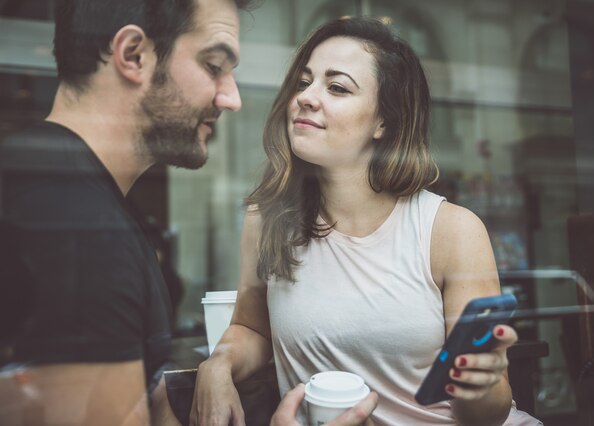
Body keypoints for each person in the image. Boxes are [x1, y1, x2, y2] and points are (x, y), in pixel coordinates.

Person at [0, 0, 377, 423]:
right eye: (214, 65)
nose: (231, 97)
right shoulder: (75, 228)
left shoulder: (84, 203)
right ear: (133, 56)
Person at [191, 17, 542, 425]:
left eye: (337, 87)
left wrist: (483, 384)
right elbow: (252, 330)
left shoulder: (451, 231)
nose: (306, 97)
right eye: (304, 82)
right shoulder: (268, 220)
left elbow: (488, 414)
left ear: (384, 122)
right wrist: (217, 365)